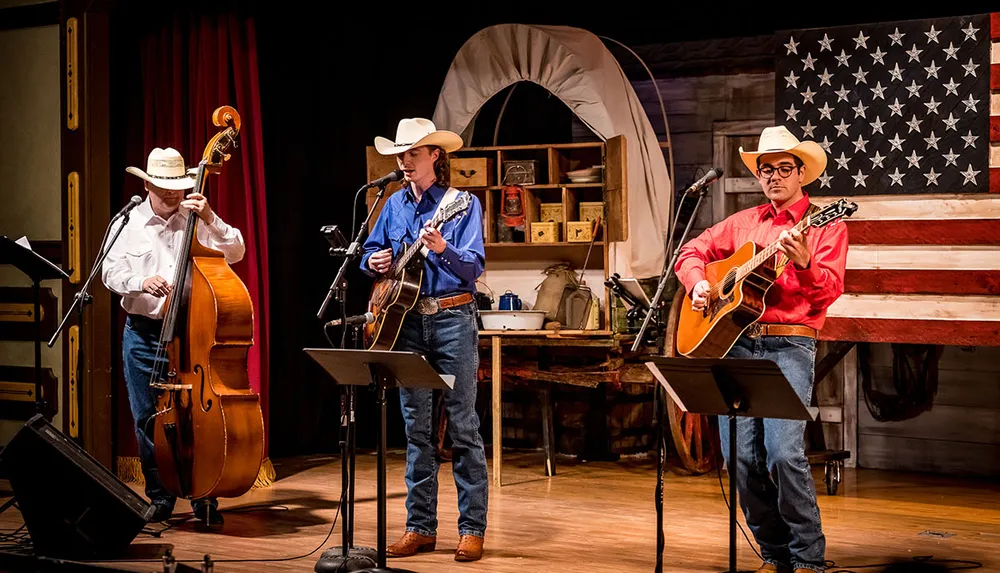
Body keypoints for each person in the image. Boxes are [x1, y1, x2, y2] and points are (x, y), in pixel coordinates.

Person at [674, 125, 849, 573]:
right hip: (736, 342)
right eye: (765, 169)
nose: (773, 177)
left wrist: (806, 262)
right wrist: (699, 286)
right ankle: (774, 553)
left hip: (790, 343)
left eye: (783, 169)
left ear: (801, 174)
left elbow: (825, 296)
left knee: (783, 453)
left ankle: (808, 557)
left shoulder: (826, 225)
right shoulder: (744, 223)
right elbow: (690, 251)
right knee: (738, 456)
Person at [360, 117, 489, 562]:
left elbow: (474, 269)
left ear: (436, 155)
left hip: (453, 318)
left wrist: (442, 250)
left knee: (463, 427)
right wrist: (373, 261)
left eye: (412, 154)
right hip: (406, 322)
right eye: (399, 155)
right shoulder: (393, 204)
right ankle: (420, 528)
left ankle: (471, 529)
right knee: (415, 430)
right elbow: (369, 255)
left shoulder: (462, 205)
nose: (403, 161)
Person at [102, 147, 246, 529]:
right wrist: (140, 282)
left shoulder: (197, 218)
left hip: (193, 333)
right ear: (147, 183)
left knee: (199, 418)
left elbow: (237, 251)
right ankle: (160, 496)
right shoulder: (128, 223)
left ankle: (203, 495)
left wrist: (212, 219)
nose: (173, 195)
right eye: (164, 187)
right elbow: (109, 273)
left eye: (177, 188)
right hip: (145, 334)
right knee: (148, 417)